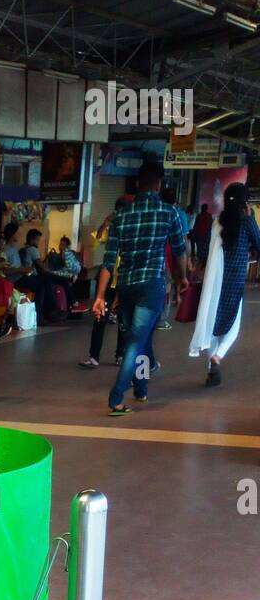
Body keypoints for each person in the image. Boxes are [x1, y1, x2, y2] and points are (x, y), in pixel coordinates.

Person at [94, 160, 188, 416]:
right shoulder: (169, 213)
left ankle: (141, 387)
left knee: (141, 339)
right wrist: (182, 279)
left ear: (137, 184)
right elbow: (180, 252)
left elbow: (108, 261)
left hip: (126, 286)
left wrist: (101, 295)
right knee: (136, 342)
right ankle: (116, 398)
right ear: (159, 185)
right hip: (152, 286)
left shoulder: (121, 216)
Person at [189, 182, 260, 387]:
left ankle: (212, 368)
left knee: (212, 322)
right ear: (244, 201)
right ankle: (217, 357)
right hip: (234, 281)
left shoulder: (216, 222)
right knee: (232, 326)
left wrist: (198, 268)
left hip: (214, 281)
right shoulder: (247, 222)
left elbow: (203, 248)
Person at [81, 199, 128, 369]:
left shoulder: (131, 228)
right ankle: (94, 356)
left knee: (123, 319)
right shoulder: (111, 227)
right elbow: (97, 239)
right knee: (100, 318)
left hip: (123, 279)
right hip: (108, 279)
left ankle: (120, 355)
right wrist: (106, 222)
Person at [1, 222, 50, 326]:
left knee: (45, 280)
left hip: (21, 276)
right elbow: (5, 271)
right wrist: (21, 269)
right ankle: (39, 317)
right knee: (40, 286)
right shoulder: (5, 251)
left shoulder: (14, 248)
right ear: (12, 235)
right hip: (14, 279)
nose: (19, 235)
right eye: (17, 233)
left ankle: (44, 313)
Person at [46, 235, 81, 309]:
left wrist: (75, 274)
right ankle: (73, 302)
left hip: (67, 275)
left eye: (63, 244)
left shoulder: (72, 254)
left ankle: (72, 303)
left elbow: (76, 265)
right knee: (64, 281)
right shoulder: (55, 256)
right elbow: (52, 268)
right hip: (59, 276)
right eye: (60, 244)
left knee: (67, 281)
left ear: (67, 246)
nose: (60, 246)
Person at [192, 203, 213, 268]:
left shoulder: (199, 216)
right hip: (206, 236)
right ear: (206, 209)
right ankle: (203, 263)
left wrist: (194, 235)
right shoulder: (209, 216)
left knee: (199, 249)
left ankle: (200, 262)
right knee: (205, 249)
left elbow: (196, 226)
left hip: (199, 235)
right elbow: (210, 226)